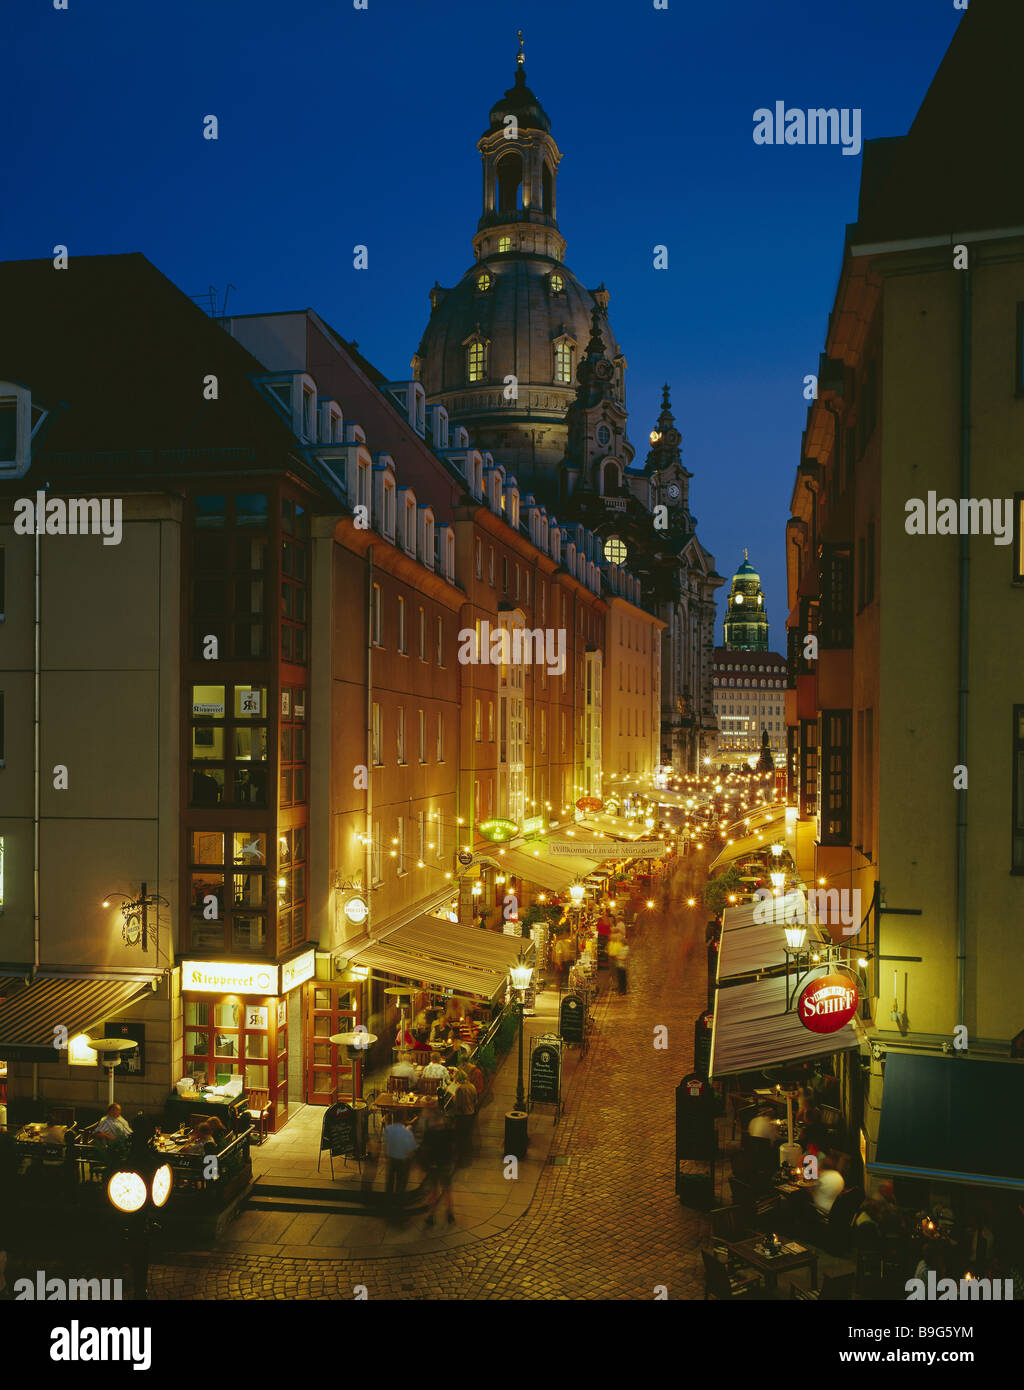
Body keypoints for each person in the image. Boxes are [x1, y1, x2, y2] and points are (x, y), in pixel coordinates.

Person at [420, 1109, 457, 1227]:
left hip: (433, 1166)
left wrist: (424, 1167)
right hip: (445, 1164)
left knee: (434, 1191)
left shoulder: (429, 1134)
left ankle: (431, 1215)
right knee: (447, 1190)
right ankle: (450, 1213)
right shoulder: (448, 1132)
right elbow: (452, 1147)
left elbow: (425, 1151)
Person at [382, 1118, 418, 1222]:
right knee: (400, 1184)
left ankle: (388, 1206)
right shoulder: (407, 1131)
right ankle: (398, 1207)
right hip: (402, 1161)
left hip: (391, 1159)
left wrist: (386, 1156)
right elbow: (411, 1150)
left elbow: (385, 1145)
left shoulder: (388, 1129)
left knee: (389, 1183)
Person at [451, 1072, 478, 1167]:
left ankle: (461, 1159)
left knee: (460, 1136)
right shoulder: (472, 1086)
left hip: (462, 1115)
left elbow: (457, 1103)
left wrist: (453, 1097)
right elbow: (475, 1100)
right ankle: (468, 1152)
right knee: (467, 1134)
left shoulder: (459, 1089)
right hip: (471, 1113)